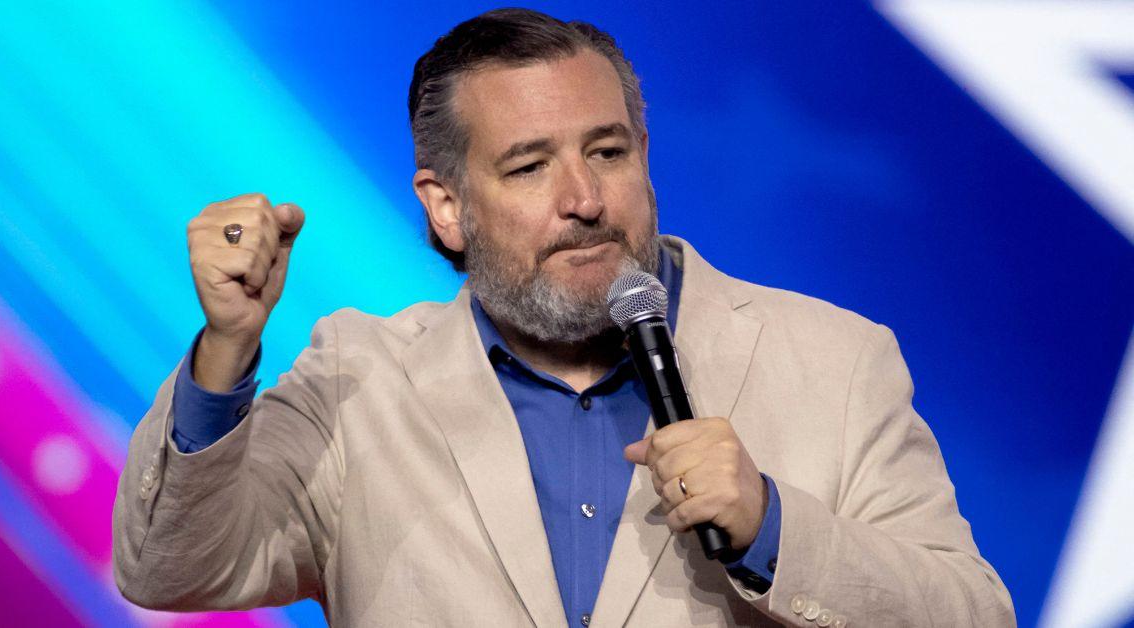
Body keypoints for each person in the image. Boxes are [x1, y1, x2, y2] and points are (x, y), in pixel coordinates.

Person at [113, 8, 1016, 627]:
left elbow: (972, 615)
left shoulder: (834, 361)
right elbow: (167, 571)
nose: (584, 198)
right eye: (529, 167)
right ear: (446, 207)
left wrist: (775, 527)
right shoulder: (360, 380)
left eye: (608, 151)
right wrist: (227, 350)